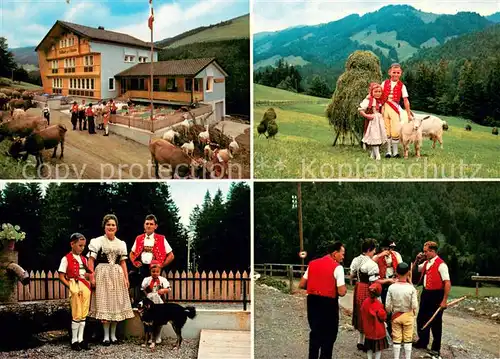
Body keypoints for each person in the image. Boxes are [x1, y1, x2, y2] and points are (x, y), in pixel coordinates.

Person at [87, 214, 134, 346]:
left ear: (117, 227)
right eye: (108, 224)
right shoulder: (97, 241)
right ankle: (106, 336)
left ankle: (113, 335)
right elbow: (91, 260)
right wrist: (92, 276)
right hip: (102, 274)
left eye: (113, 225)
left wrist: (126, 278)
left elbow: (123, 263)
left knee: (116, 304)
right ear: (104, 226)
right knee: (104, 303)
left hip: (117, 275)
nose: (111, 227)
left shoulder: (121, 243)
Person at [298, 241, 347, 359]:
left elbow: (302, 284)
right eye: (342, 254)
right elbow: (342, 292)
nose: (343, 257)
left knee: (315, 332)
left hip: (313, 301)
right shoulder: (337, 268)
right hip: (328, 303)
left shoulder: (313, 263)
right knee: (329, 336)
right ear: (335, 254)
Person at [412, 241, 451, 359]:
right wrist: (417, 259)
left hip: (437, 294)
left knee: (436, 322)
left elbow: (447, 283)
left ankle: (436, 348)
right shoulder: (426, 263)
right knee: (421, 318)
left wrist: (444, 300)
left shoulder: (441, 265)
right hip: (426, 293)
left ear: (432, 251)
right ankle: (423, 341)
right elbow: (413, 272)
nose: (424, 253)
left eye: (425, 251)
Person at [58, 233, 93, 351]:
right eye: (80, 245)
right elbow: (61, 276)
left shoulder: (84, 258)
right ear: (72, 244)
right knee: (76, 314)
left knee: (84, 314)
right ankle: (74, 340)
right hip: (74, 284)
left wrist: (90, 279)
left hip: (85, 285)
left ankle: (81, 339)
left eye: (84, 246)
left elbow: (86, 273)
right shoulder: (66, 258)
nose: (82, 248)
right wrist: (71, 287)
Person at [129, 214, 174, 304]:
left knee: (156, 290)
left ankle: (160, 311)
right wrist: (134, 262)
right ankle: (140, 310)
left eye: (151, 224)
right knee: (141, 290)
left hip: (154, 269)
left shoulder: (161, 238)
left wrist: (161, 265)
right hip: (142, 268)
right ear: (144, 225)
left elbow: (171, 255)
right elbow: (131, 253)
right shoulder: (139, 238)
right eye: (147, 223)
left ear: (155, 226)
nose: (149, 226)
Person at [349, 238, 378, 351]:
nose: (374, 252)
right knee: (368, 313)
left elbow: (351, 275)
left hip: (358, 286)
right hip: (367, 287)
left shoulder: (356, 260)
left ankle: (360, 341)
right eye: (374, 250)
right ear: (369, 250)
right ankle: (367, 342)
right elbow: (374, 281)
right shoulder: (371, 263)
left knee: (359, 312)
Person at [386, 262, 419, 359]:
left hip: (396, 315)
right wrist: (414, 314)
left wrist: (390, 312)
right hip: (408, 315)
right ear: (408, 273)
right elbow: (414, 305)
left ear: (396, 272)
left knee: (396, 338)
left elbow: (387, 305)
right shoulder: (411, 288)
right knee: (408, 339)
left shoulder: (391, 287)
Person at [380, 63, 413, 158]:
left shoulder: (402, 86)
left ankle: (395, 152)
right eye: (394, 72)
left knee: (395, 130)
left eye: (398, 72)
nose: (395, 74)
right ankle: (388, 151)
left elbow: (406, 100)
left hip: (395, 109)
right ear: (390, 72)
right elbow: (379, 95)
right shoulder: (384, 83)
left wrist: (408, 113)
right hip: (385, 108)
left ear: (400, 73)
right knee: (387, 129)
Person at [375, 240, 402, 337]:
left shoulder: (396, 255)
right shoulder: (378, 256)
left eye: (391, 248)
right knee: (383, 305)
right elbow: (371, 262)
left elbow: (401, 268)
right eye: (387, 248)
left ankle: (393, 329)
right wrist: (381, 255)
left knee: (393, 306)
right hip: (382, 282)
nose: (389, 250)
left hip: (393, 281)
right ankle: (383, 328)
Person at [141, 260, 171, 344]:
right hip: (150, 303)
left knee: (159, 319)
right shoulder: (147, 280)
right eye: (153, 271)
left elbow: (168, 289)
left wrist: (163, 290)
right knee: (150, 320)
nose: (155, 273)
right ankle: (151, 337)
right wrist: (147, 295)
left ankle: (158, 336)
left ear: (160, 271)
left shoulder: (162, 280)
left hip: (159, 302)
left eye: (157, 272)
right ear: (150, 271)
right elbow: (143, 289)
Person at [360, 282, 389, 359]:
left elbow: (362, 312)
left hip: (368, 330)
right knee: (378, 348)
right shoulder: (379, 304)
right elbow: (383, 317)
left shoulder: (365, 302)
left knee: (369, 347)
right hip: (378, 331)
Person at [358, 83, 387, 160]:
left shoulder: (380, 101)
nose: (378, 93)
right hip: (372, 121)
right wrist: (367, 116)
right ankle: (377, 155)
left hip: (379, 121)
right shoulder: (369, 100)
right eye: (376, 91)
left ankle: (372, 155)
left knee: (378, 137)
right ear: (372, 92)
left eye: (379, 92)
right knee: (374, 137)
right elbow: (361, 110)